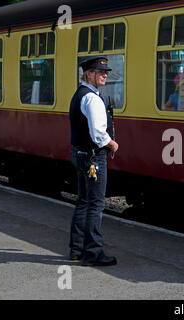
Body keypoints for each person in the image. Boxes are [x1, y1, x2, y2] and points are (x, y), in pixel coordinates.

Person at [69, 56, 119, 266]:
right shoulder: (91, 98)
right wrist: (112, 144)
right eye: (100, 72)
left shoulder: (82, 94)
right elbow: (98, 132)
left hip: (81, 154)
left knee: (83, 201)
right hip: (93, 156)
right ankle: (93, 253)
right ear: (89, 74)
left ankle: (77, 249)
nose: (104, 74)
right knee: (95, 204)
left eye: (105, 71)